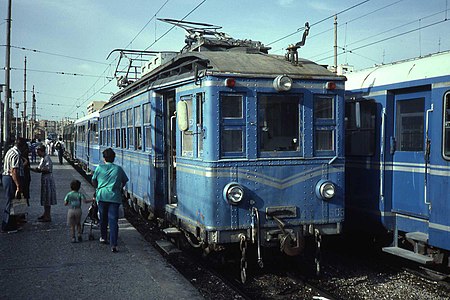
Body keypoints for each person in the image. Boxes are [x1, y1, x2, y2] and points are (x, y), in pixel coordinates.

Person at [92, 148, 128, 252]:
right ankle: (114, 244)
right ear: (114, 158)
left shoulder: (99, 168)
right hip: (114, 197)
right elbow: (124, 181)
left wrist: (98, 188)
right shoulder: (118, 169)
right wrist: (118, 187)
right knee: (113, 220)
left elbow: (93, 180)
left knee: (103, 218)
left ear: (104, 158)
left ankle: (103, 237)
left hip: (102, 196)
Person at [1, 138, 27, 232]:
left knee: (11, 201)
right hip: (10, 179)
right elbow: (14, 171)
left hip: (7, 178)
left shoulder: (10, 151)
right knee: (11, 202)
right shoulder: (16, 154)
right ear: (22, 146)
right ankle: (7, 226)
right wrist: (18, 185)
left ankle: (11, 225)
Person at [31, 145, 57, 222]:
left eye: (38, 152)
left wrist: (39, 169)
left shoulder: (46, 158)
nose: (37, 154)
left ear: (42, 151)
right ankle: (45, 213)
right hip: (45, 178)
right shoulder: (43, 158)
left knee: (47, 197)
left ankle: (48, 216)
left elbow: (47, 169)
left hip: (47, 179)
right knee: (45, 197)